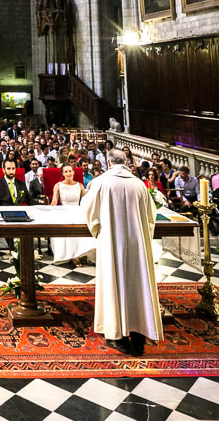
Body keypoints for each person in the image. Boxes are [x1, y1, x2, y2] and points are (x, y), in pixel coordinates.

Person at [82, 148, 163, 356]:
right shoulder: (139, 185)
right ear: (125, 161)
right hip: (137, 244)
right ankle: (139, 333)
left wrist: (100, 231)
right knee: (137, 284)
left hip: (112, 243)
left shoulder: (101, 182)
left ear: (109, 162)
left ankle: (115, 334)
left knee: (113, 282)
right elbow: (150, 216)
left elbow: (88, 211)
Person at [50, 164, 93, 267]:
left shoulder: (80, 185)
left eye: (70, 171)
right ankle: (73, 255)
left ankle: (83, 253)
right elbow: (54, 201)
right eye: (66, 172)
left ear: (73, 172)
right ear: (63, 174)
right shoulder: (58, 185)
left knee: (85, 224)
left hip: (78, 210)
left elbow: (86, 200)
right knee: (67, 225)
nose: (68, 173)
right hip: (64, 211)